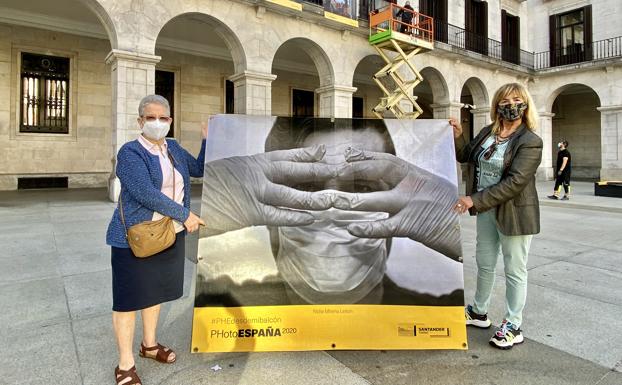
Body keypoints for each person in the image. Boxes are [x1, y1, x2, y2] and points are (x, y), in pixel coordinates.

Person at [195, 117, 462, 306]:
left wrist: (450, 227)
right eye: (307, 187)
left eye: (363, 188)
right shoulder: (224, 309)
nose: (333, 205)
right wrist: (204, 214)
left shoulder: (436, 314)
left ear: (397, 213)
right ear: (267, 211)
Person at [105, 95, 207, 385]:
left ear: (170, 121)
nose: (158, 123)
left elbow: (198, 169)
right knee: (127, 300)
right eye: (151, 118)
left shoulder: (172, 147)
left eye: (164, 118)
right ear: (140, 121)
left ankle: (149, 345)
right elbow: (144, 192)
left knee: (154, 293)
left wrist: (208, 140)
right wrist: (185, 214)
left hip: (168, 234)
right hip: (135, 238)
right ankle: (125, 363)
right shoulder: (129, 153)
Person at [449, 82, 543, 350]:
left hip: (514, 213)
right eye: (504, 99)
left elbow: (516, 182)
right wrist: (458, 135)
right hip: (486, 210)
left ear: (524, 105)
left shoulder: (530, 141)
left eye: (516, 99)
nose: (510, 104)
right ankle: (479, 312)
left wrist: (472, 199)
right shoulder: (487, 132)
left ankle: (513, 324)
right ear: (496, 104)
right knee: (485, 262)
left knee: (514, 269)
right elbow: (466, 156)